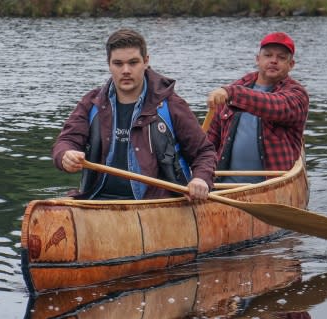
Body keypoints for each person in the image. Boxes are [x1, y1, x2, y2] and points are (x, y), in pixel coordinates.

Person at [53, 28, 217, 201]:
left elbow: (204, 152)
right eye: (118, 64)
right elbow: (66, 141)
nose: (126, 70)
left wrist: (200, 178)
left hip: (157, 206)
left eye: (133, 63)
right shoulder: (91, 103)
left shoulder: (172, 105)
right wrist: (66, 155)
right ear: (109, 64)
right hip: (96, 201)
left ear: (146, 61)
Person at [205, 32, 309, 184]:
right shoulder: (232, 92)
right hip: (224, 187)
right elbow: (211, 140)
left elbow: (274, 106)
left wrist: (231, 92)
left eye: (281, 57)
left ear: (291, 65)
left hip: (273, 185)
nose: (274, 61)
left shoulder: (298, 95)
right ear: (258, 59)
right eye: (268, 55)